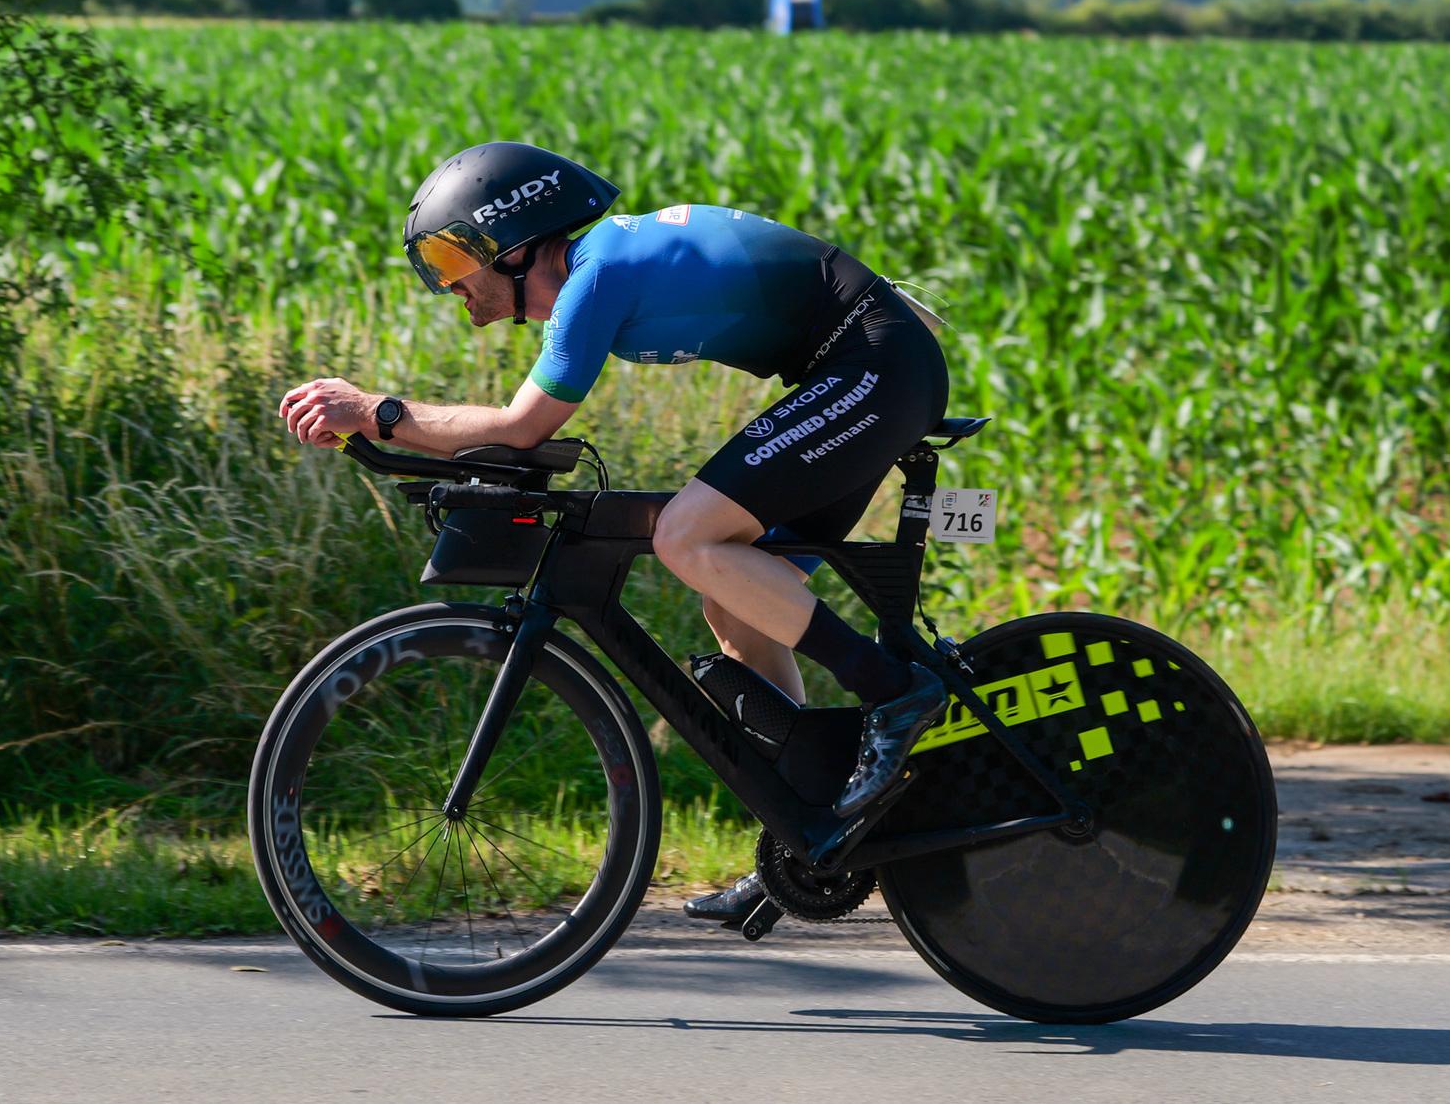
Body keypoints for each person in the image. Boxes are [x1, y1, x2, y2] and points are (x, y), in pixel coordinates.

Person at [277, 142, 950, 924]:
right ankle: (810, 835)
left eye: (454, 257)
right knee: (734, 603)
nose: (449, 286)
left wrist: (380, 413)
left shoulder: (597, 272)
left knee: (684, 537)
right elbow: (515, 432)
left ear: (516, 241)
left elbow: (521, 427)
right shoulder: (600, 266)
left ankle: (894, 692)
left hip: (872, 365)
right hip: (863, 365)